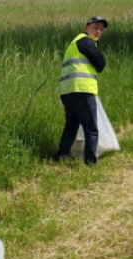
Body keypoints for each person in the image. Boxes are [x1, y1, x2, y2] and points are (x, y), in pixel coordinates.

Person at [53, 16, 108, 165]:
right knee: (91, 129)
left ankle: (61, 157)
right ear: (86, 27)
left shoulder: (74, 43)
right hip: (82, 91)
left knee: (71, 126)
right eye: (96, 27)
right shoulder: (85, 41)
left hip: (67, 92)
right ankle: (90, 163)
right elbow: (101, 63)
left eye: (101, 30)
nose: (98, 31)